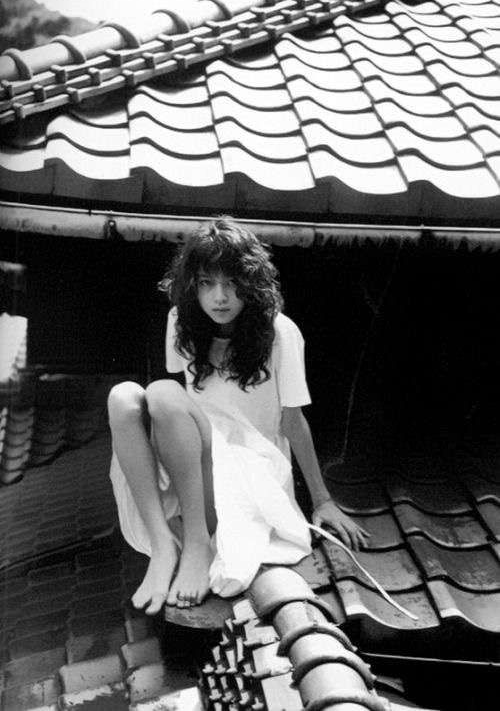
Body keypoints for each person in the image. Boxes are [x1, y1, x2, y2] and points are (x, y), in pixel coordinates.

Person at [108, 217, 369, 615]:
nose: (220, 297)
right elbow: (175, 414)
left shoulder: (280, 332)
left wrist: (322, 499)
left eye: (232, 283)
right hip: (188, 464)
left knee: (162, 390)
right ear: (192, 284)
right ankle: (163, 547)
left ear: (251, 283)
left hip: (246, 471)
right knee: (123, 397)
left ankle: (196, 543)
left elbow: (293, 421)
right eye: (207, 283)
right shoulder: (180, 319)